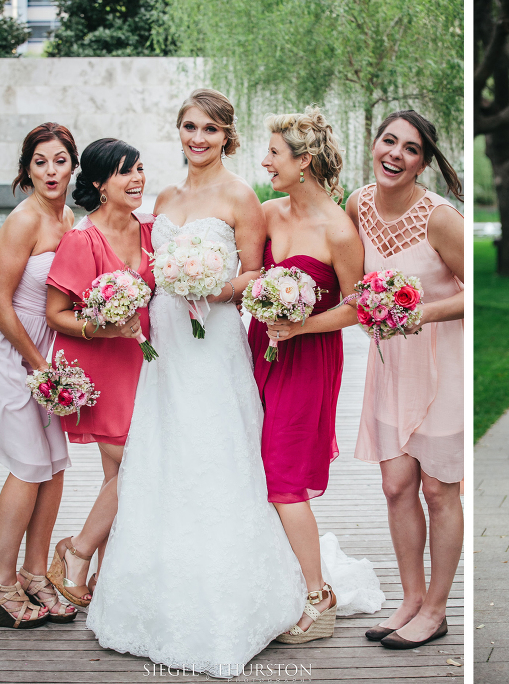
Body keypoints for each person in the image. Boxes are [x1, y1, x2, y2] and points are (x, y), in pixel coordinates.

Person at [84, 89, 306, 678]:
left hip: (215, 339)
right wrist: (132, 297)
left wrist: (214, 284)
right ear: (178, 131)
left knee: (214, 452)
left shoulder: (241, 197)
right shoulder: (162, 197)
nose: (197, 138)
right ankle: (149, 594)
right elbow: (150, 270)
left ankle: (233, 595)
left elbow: (255, 273)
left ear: (226, 136)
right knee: (163, 453)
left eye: (209, 129)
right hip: (166, 343)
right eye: (188, 127)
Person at [250, 107, 384, 644]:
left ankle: (317, 595)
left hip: (309, 356)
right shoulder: (266, 213)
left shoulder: (338, 230)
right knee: (255, 465)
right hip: (259, 347)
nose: (265, 162)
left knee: (283, 477)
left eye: (275, 154)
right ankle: (276, 577)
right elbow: (248, 273)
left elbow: (357, 307)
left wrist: (300, 324)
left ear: (303, 161)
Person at [348, 110, 464, 650]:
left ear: (423, 161)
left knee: (440, 491)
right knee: (397, 486)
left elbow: (476, 293)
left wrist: (420, 313)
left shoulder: (440, 218)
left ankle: (437, 610)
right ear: (375, 145)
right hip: (391, 365)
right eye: (388, 141)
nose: (395, 154)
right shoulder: (359, 204)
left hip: (441, 364)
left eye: (410, 148)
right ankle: (410, 599)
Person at [44, 138, 155, 607]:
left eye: (140, 169)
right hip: (100, 369)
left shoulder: (149, 230)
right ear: (97, 182)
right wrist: (102, 329)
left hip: (146, 367)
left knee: (122, 476)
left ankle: (109, 581)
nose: (137, 180)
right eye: (124, 172)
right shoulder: (82, 239)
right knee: (133, 469)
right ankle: (77, 551)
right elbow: (56, 313)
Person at [0, 124, 78, 627]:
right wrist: (38, 364)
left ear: (72, 166)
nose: (50, 171)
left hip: (48, 353)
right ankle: (0, 583)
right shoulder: (23, 221)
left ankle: (35, 573)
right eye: (40, 162)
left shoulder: (67, 216)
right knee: (28, 464)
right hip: (10, 353)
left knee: (54, 464)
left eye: (60, 160)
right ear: (27, 169)